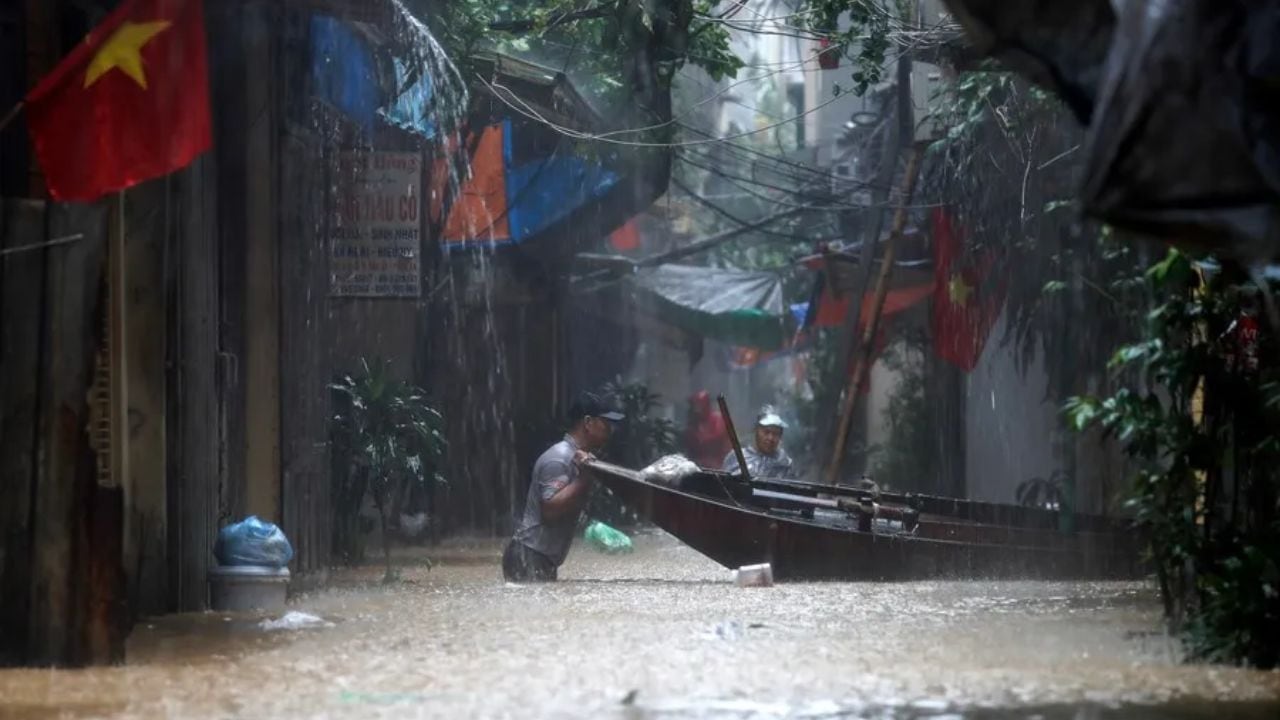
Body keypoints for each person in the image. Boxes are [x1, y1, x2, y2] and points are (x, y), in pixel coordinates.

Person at [503, 391, 625, 582]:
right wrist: (586, 477)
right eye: (606, 423)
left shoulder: (578, 457)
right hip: (529, 557)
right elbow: (550, 510)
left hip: (539, 558)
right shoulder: (559, 459)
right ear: (588, 423)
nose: (610, 430)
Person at [722, 405, 794, 479]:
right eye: (766, 432)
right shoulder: (737, 457)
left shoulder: (784, 463)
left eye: (775, 434)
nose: (770, 438)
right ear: (756, 431)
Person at [684, 390, 731, 469]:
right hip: (697, 468)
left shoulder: (718, 419)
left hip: (718, 468)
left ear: (705, 405)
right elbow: (689, 447)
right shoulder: (693, 423)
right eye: (694, 406)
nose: (696, 409)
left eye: (698, 406)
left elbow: (718, 438)